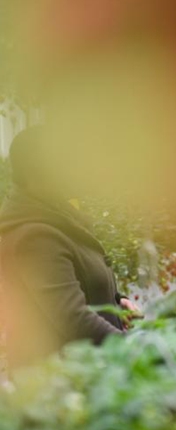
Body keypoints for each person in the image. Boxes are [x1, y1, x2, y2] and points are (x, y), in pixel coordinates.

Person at [0, 127, 136, 370]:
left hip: (89, 374)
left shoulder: (56, 217)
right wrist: (140, 348)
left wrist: (117, 301)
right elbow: (74, 320)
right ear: (37, 174)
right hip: (63, 388)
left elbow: (80, 279)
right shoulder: (34, 238)